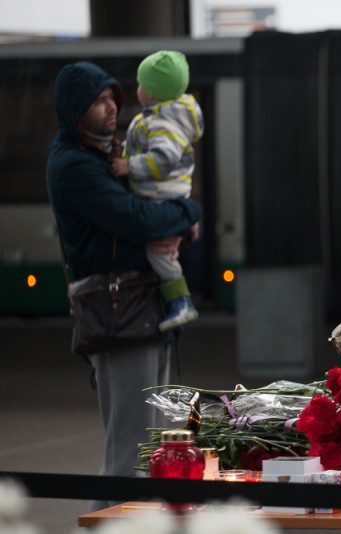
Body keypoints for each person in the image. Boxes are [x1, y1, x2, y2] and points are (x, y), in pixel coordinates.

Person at [46, 61, 201, 509]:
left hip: (140, 307)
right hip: (118, 312)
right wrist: (190, 214)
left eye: (114, 96)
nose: (112, 106)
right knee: (129, 452)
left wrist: (174, 219)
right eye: (99, 100)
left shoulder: (102, 153)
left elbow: (146, 215)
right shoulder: (76, 164)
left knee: (152, 448)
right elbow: (133, 219)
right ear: (76, 109)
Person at [110, 50, 203, 332]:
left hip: (162, 196)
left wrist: (130, 167)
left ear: (149, 92)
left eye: (140, 84)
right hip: (165, 196)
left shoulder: (162, 122)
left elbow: (164, 159)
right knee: (163, 252)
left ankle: (181, 301)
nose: (137, 90)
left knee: (159, 254)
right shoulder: (162, 118)